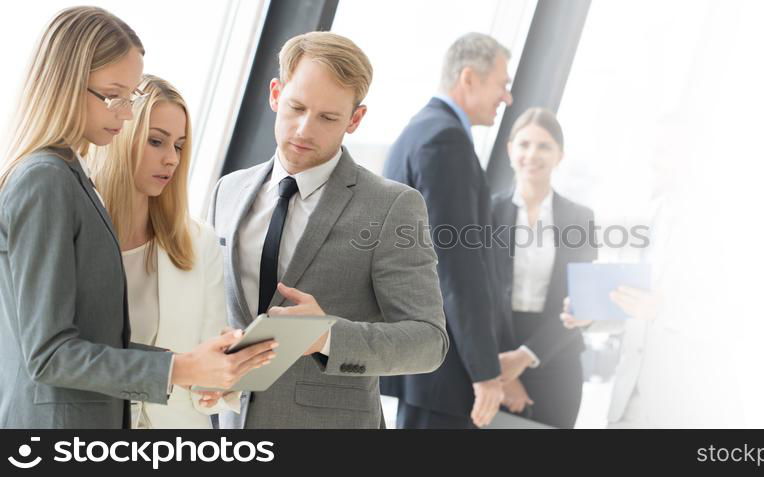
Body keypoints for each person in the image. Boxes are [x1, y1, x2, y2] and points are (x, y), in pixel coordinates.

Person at [0, 6, 275, 429]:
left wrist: (191, 365)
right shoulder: (45, 180)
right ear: (66, 85)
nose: (125, 113)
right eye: (113, 96)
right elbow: (50, 354)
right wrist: (179, 369)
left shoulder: (70, 178)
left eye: (129, 98)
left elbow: (91, 341)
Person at [209, 31, 448, 429]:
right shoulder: (228, 190)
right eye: (296, 107)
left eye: (328, 117)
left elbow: (428, 342)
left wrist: (326, 337)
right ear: (274, 94)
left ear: (355, 119)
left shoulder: (392, 207)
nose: (304, 129)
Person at [89, 74, 242, 428]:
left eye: (179, 146)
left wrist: (216, 385)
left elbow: (208, 357)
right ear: (119, 135)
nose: (171, 159)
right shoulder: (75, 232)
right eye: (156, 141)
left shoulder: (198, 242)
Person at [382, 32, 514, 429]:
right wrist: (484, 371)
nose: (507, 98)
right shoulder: (445, 140)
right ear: (469, 78)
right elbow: (455, 265)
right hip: (445, 370)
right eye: (502, 85)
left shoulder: (420, 130)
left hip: (425, 366)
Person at [491, 108, 597, 429]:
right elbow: (476, 299)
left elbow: (582, 303)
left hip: (557, 356)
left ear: (559, 156)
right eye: (524, 144)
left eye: (544, 146)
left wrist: (525, 357)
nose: (532, 154)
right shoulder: (486, 212)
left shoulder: (580, 218)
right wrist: (502, 372)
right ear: (510, 149)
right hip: (496, 359)